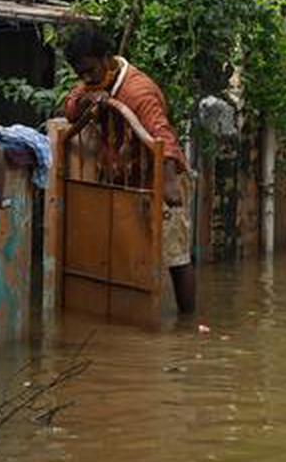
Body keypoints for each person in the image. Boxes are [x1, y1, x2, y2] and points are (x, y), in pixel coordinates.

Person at [61, 25, 196, 314]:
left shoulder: (138, 91)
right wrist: (86, 97)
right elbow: (70, 109)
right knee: (127, 249)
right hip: (129, 179)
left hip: (162, 175)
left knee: (175, 256)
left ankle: (188, 322)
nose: (85, 78)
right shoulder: (94, 83)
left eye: (89, 71)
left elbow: (162, 137)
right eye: (80, 74)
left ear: (107, 58)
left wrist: (169, 184)